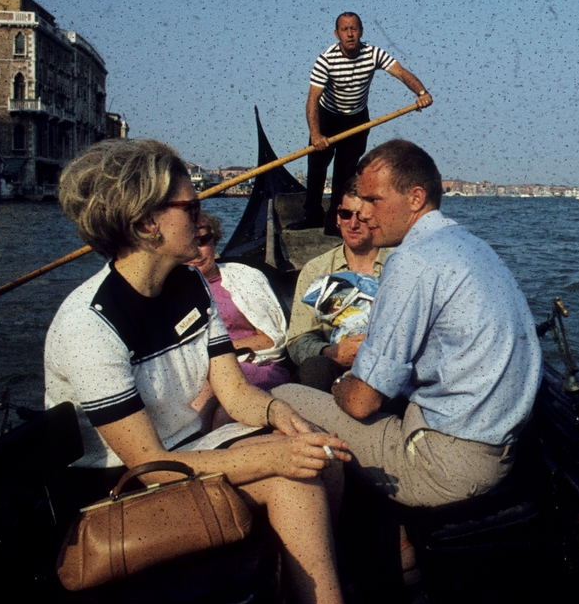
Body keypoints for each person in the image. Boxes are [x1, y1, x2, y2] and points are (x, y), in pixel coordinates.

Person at [44, 138, 350, 604]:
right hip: (120, 490)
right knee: (294, 481)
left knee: (320, 458)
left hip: (189, 451)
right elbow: (148, 468)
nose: (202, 218)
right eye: (191, 206)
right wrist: (272, 458)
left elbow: (235, 393)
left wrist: (279, 416)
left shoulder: (190, 286)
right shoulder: (90, 325)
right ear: (148, 223)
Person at [274, 140, 542, 508]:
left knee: (281, 398)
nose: (364, 214)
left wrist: (338, 384)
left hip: (442, 464)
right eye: (357, 203)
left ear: (415, 198)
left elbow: (361, 404)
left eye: (373, 200)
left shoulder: (411, 261)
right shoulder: (470, 245)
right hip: (498, 445)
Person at [302, 12, 433, 234]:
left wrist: (421, 92)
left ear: (361, 31)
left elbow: (400, 73)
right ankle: (312, 215)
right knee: (317, 168)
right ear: (337, 34)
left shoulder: (373, 54)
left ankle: (334, 221)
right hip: (328, 117)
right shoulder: (326, 59)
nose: (350, 34)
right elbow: (313, 98)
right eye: (345, 29)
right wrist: (316, 133)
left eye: (354, 28)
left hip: (356, 119)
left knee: (345, 173)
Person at [287, 180, 391, 391]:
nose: (353, 224)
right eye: (346, 215)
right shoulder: (316, 270)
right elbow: (298, 339)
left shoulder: (400, 266)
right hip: (332, 366)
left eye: (362, 216)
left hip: (387, 367)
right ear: (337, 216)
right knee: (314, 369)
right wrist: (331, 352)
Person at [189, 213, 291, 391]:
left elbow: (271, 340)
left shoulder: (245, 277)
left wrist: (217, 351)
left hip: (257, 367)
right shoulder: (168, 293)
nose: (196, 252)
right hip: (201, 376)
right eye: (187, 244)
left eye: (202, 240)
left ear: (214, 240)